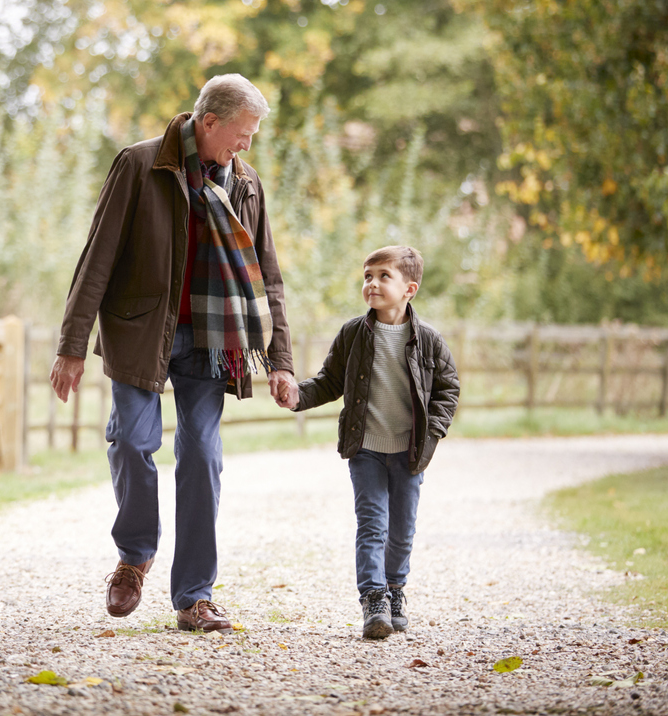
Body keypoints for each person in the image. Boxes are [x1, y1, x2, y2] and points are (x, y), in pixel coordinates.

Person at [50, 74, 296, 633]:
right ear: (208, 122)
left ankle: (194, 597)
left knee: (203, 460)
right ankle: (134, 557)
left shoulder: (247, 185)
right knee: (134, 442)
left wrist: (280, 360)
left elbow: (268, 279)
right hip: (141, 331)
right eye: (242, 133)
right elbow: (97, 259)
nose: (246, 146)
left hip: (214, 341)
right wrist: (72, 346)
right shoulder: (140, 166)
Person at [278, 245, 459, 639]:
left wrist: (434, 431)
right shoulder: (352, 335)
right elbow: (329, 381)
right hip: (365, 448)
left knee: (402, 529)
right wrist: (298, 396)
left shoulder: (428, 340)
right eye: (367, 276)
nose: (372, 284)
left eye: (383, 276)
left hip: (410, 451)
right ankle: (373, 597)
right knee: (372, 524)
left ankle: (395, 589)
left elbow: (448, 388)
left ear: (409, 289)